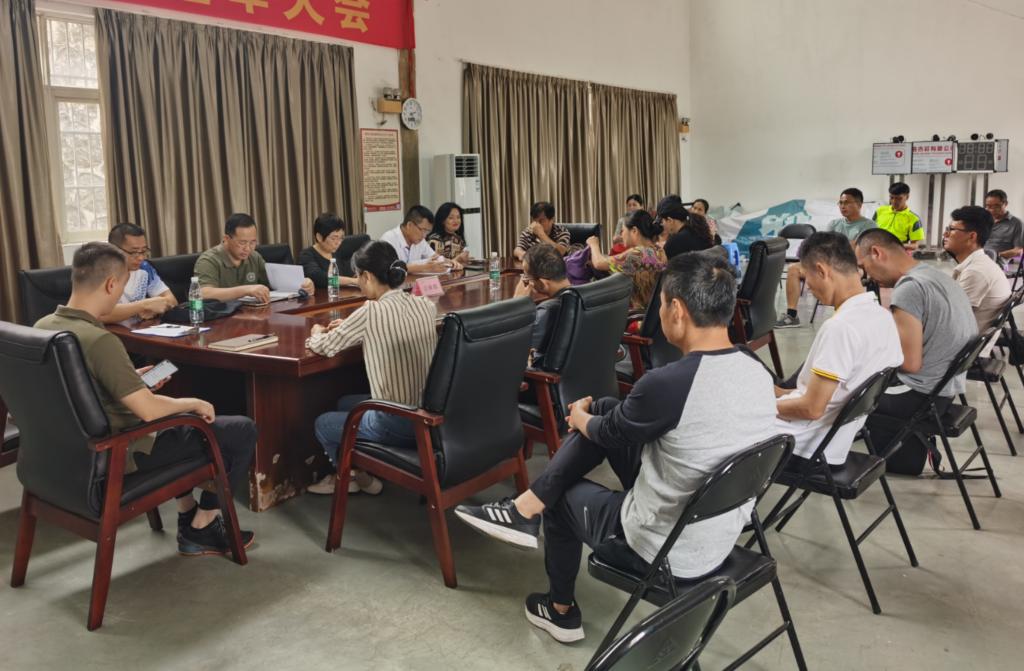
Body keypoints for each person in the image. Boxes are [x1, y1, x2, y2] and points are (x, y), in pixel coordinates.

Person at [454, 251, 778, 643]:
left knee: (563, 495)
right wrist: (592, 417)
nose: (660, 313)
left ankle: (559, 610)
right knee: (606, 408)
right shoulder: (755, 368)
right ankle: (524, 508)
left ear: (677, 310)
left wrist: (578, 418)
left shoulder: (670, 383)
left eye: (661, 304)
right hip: (717, 532)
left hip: (666, 548)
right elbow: (615, 426)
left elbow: (606, 433)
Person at [35, 242, 257, 555]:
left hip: (63, 459)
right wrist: (194, 403)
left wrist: (130, 380)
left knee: (180, 425)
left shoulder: (43, 327)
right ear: (111, 284)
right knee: (240, 430)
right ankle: (203, 525)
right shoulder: (100, 340)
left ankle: (187, 512)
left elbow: (76, 389)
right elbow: (149, 411)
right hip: (122, 453)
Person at [305, 241, 438, 495]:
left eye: (357, 276)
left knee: (323, 423)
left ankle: (354, 478)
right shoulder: (424, 305)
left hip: (398, 421)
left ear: (366, 276)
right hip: (428, 412)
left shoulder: (370, 311)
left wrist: (317, 332)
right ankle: (359, 472)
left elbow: (325, 346)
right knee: (344, 403)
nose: (358, 282)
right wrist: (349, 326)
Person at [774, 232, 903, 468]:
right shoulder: (883, 317)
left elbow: (812, 408)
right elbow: (833, 396)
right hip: (832, 442)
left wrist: (758, 407)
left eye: (806, 278)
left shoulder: (840, 328)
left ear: (821, 271)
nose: (808, 287)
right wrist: (777, 394)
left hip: (803, 446)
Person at [855, 229, 976, 474]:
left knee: (838, 385)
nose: (866, 275)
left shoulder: (909, 288)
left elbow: (909, 364)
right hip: (943, 390)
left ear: (877, 253)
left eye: (864, 266)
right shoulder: (934, 275)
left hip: (918, 395)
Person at [775, 188, 876, 328]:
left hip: (852, 267)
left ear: (859, 205)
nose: (842, 206)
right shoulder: (834, 224)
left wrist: (840, 246)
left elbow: (858, 250)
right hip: (827, 263)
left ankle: (845, 315)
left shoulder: (869, 225)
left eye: (847, 202)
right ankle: (791, 315)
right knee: (793, 269)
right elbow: (824, 247)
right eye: (840, 203)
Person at [194, 213, 314, 302]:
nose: (248, 248)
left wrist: (303, 284)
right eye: (242, 242)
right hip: (220, 320)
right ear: (226, 239)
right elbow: (203, 293)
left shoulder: (254, 257)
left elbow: (274, 283)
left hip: (251, 315)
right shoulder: (208, 260)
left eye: (252, 242)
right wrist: (246, 290)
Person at [943, 205, 1011, 333]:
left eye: (951, 229)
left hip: (963, 340)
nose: (945, 234)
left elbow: (952, 318)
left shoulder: (976, 271)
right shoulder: (979, 263)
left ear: (972, 236)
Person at [587, 210, 667, 310]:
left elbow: (599, 263)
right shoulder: (658, 250)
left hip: (639, 313)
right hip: (654, 311)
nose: (621, 234)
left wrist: (593, 244)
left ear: (634, 231)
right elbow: (614, 260)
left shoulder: (638, 254)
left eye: (623, 230)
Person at [100, 223, 177, 324]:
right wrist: (143, 305)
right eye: (134, 252)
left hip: (140, 329)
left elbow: (172, 300)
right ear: (114, 250)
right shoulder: (100, 271)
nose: (141, 258)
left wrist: (153, 310)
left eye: (144, 251)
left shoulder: (144, 268)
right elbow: (101, 314)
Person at [513, 244, 572, 368]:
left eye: (527, 277)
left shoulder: (546, 311)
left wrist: (517, 305)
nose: (525, 282)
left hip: (542, 377)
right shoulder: (586, 297)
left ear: (542, 283)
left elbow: (513, 347)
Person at [380, 205, 454, 273]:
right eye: (423, 230)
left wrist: (450, 263)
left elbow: (435, 258)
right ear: (409, 225)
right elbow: (390, 268)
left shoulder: (420, 240)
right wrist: (424, 267)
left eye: (427, 232)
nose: (424, 236)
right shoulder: (388, 240)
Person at [297, 213, 360, 289]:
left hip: (343, 294)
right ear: (319, 237)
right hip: (322, 296)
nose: (338, 242)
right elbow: (322, 278)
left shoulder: (338, 251)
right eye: (334, 238)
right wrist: (354, 281)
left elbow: (350, 271)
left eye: (341, 238)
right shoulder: (306, 255)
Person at [873, 182, 924, 250]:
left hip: (898, 251)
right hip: (877, 249)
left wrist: (896, 245)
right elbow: (871, 232)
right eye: (891, 197)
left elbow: (915, 245)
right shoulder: (879, 211)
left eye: (899, 198)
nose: (894, 201)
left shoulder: (914, 219)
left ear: (907, 197)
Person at [982, 189, 1023, 260]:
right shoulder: (982, 220)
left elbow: (1019, 250)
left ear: (1005, 204)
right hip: (978, 259)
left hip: (998, 261)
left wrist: (996, 255)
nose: (992, 210)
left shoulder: (1017, 223)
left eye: (997, 206)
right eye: (988, 206)